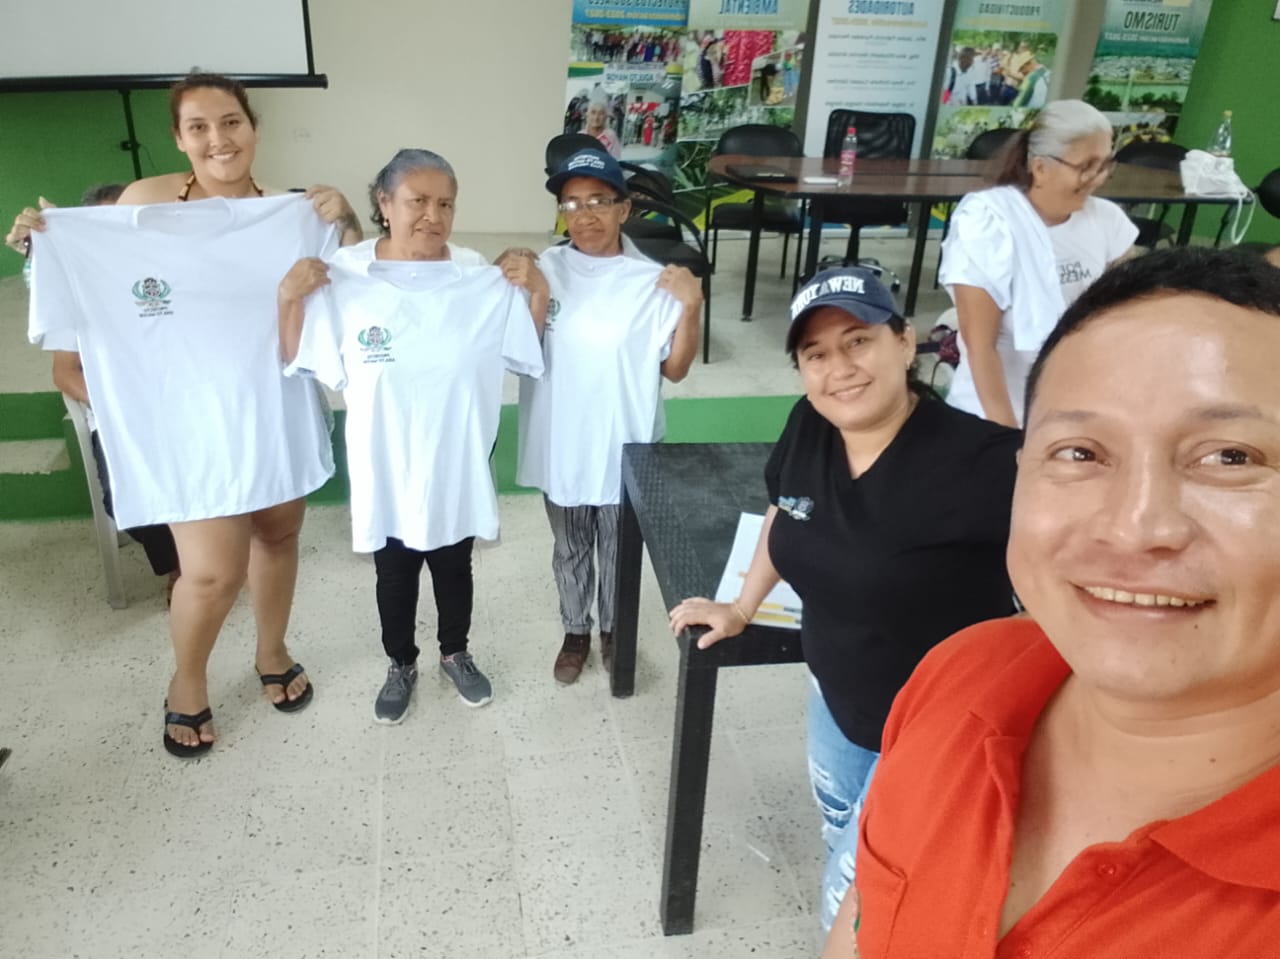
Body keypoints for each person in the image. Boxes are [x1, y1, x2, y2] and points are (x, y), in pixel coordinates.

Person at [825, 246, 1280, 958]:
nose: (1133, 527)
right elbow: (864, 915)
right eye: (1080, 453)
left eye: (1230, 457)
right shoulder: (962, 671)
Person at [16, 72, 361, 759]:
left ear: (253, 127)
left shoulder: (294, 211)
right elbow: (94, 288)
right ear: (178, 138)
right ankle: (188, 679)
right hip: (185, 419)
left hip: (274, 404)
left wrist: (346, 221)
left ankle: (272, 650)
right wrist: (45, 243)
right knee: (210, 572)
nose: (218, 139)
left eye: (230, 122)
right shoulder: (143, 204)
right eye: (198, 127)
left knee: (278, 533)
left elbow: (350, 297)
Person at [669, 266, 1021, 933]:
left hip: (935, 727)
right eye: (817, 354)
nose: (840, 369)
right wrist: (740, 606)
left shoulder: (985, 462)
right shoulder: (812, 422)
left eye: (858, 341)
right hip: (836, 695)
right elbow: (786, 508)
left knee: (856, 887)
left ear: (904, 341)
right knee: (840, 827)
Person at [278, 148, 547, 723]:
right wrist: (289, 300)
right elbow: (307, 360)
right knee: (394, 572)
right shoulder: (345, 277)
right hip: (386, 462)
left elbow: (524, 352)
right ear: (384, 203)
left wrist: (535, 293)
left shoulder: (478, 277)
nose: (433, 215)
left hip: (455, 459)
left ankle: (456, 653)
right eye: (417, 201)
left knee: (454, 566)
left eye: (445, 203)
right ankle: (400, 663)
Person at [516, 147, 702, 685]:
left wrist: (691, 308)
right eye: (572, 204)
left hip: (624, 441)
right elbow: (519, 354)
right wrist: (535, 294)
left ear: (625, 209)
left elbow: (675, 370)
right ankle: (576, 631)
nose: (585, 215)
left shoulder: (652, 281)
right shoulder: (544, 270)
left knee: (619, 550)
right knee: (571, 544)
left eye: (599, 201)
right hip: (562, 440)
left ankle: (614, 630)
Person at [940, 99, 1136, 428]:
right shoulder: (990, 223)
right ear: (1040, 167)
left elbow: (1131, 306)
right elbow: (980, 347)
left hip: (1073, 402)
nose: (1098, 178)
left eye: (1105, 164)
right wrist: (1005, 434)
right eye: (1086, 166)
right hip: (994, 410)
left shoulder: (1107, 219)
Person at [33, 184, 183, 599]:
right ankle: (178, 566)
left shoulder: (172, 275)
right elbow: (65, 372)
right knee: (127, 498)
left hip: (182, 407)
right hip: (119, 418)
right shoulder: (75, 288)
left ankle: (216, 553)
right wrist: (122, 406)